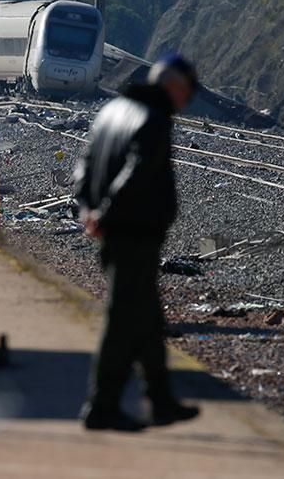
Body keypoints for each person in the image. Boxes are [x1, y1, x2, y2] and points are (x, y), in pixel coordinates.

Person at [73, 54, 202, 431]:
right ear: (175, 88)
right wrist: (106, 214)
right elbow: (137, 171)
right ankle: (102, 406)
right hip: (134, 234)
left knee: (146, 321)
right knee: (122, 322)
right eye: (186, 95)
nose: (185, 104)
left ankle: (161, 401)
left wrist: (88, 210)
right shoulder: (153, 119)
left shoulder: (113, 110)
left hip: (116, 230)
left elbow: (84, 164)